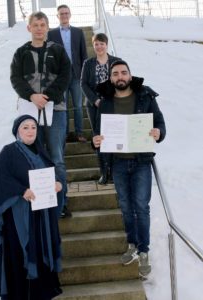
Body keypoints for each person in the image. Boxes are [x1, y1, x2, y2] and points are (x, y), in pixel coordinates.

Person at [93, 60, 166, 277]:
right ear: (111, 78)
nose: (120, 76)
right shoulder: (105, 101)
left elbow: (160, 123)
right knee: (125, 206)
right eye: (115, 73)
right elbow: (97, 133)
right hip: (117, 163)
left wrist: (158, 133)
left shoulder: (145, 96)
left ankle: (144, 250)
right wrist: (95, 140)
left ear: (130, 75)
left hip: (142, 161)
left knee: (141, 206)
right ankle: (132, 244)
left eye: (124, 72)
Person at [0, 115, 63, 300]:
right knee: (23, 251)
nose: (31, 131)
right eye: (25, 127)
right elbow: (1, 180)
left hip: (42, 214)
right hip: (18, 216)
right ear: (17, 131)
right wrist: (22, 191)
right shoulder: (8, 152)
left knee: (41, 250)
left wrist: (57, 184)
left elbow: (53, 174)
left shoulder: (42, 151)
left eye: (33, 127)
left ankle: (43, 290)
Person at [10, 12, 71, 218]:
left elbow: (66, 76)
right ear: (29, 28)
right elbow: (15, 79)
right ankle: (39, 202)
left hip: (57, 110)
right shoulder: (21, 53)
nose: (38, 28)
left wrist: (47, 96)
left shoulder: (59, 51)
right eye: (35, 24)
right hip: (30, 111)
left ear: (47, 27)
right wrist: (31, 96)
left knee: (57, 158)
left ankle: (61, 204)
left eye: (42, 24)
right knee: (33, 157)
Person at [81, 33, 121, 184]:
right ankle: (104, 173)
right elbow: (83, 84)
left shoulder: (117, 61)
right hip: (94, 106)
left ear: (106, 44)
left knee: (115, 136)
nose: (99, 46)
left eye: (101, 43)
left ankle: (115, 172)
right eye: (96, 44)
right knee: (99, 138)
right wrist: (96, 100)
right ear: (93, 45)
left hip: (113, 104)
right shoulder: (88, 63)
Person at [48, 4, 87, 142]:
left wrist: (84, 73)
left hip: (76, 75)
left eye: (66, 13)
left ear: (70, 15)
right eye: (61, 13)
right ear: (57, 16)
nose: (64, 15)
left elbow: (84, 55)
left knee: (77, 105)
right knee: (62, 107)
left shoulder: (78, 32)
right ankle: (64, 134)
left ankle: (79, 133)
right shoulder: (51, 34)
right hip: (60, 77)